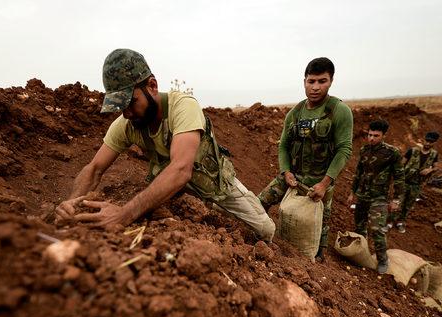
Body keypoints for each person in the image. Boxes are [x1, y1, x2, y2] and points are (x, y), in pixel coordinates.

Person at [55, 49, 275, 241]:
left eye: (131, 103)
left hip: (214, 185)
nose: (127, 113)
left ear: (152, 86)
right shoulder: (127, 124)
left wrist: (123, 214)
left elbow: (181, 169)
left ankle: (216, 207)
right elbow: (94, 169)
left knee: (266, 230)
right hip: (176, 191)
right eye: (120, 107)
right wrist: (70, 204)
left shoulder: (183, 106)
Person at [258, 57, 353, 258]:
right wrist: (286, 171)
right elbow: (283, 145)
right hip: (292, 177)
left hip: (319, 183)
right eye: (311, 81)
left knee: (319, 237)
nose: (316, 87)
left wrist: (325, 184)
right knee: (258, 205)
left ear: (331, 81)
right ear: (304, 81)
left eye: (322, 81)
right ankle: (250, 240)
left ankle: (314, 267)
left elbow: (344, 150)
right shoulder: (295, 113)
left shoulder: (339, 111)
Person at [346, 119, 404, 274]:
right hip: (363, 195)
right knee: (360, 227)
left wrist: (396, 199)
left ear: (383, 136)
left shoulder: (392, 153)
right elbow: (358, 173)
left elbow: (399, 177)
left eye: (376, 136)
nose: (371, 138)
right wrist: (353, 192)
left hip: (379, 198)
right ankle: (360, 254)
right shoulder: (364, 150)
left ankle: (383, 260)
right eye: (370, 135)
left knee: (376, 229)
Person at [390, 131, 440, 233]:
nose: (428, 143)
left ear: (434, 143)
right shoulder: (412, 151)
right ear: (423, 140)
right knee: (397, 202)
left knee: (408, 205)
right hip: (405, 182)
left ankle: (401, 222)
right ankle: (389, 221)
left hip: (417, 185)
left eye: (431, 142)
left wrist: (429, 170)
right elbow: (401, 165)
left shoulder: (434, 155)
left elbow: (436, 167)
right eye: (427, 141)